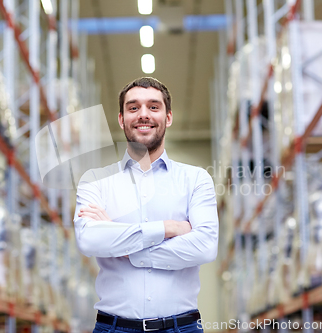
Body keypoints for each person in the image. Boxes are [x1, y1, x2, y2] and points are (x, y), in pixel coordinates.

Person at [74, 77, 219, 333]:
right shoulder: (95, 180)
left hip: (182, 327)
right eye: (133, 108)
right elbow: (89, 241)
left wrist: (123, 245)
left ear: (168, 117)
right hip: (113, 328)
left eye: (153, 107)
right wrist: (169, 228)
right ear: (121, 119)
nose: (143, 115)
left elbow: (205, 246)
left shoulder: (196, 179)